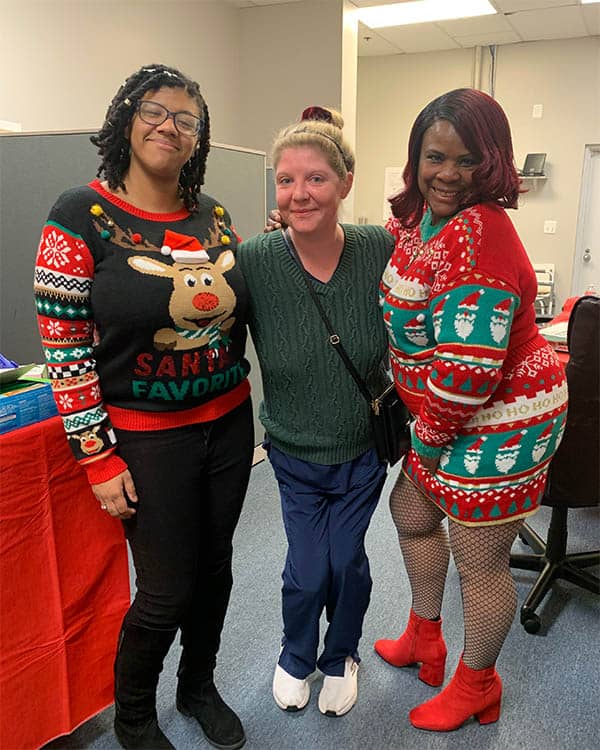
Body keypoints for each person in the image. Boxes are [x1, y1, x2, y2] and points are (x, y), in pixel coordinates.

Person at [33, 64, 252, 750]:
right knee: (165, 588)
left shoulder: (214, 215)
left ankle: (198, 687)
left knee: (216, 571)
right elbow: (65, 349)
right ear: (126, 120)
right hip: (145, 438)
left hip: (227, 421)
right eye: (155, 112)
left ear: (199, 137)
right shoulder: (78, 214)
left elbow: (238, 310)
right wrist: (95, 455)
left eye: (187, 119)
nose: (170, 127)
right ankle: (133, 714)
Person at [375, 88, 568, 731]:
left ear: (493, 166)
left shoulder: (481, 232)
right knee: (412, 510)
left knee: (478, 558)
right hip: (448, 414)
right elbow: (402, 252)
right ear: (416, 158)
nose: (448, 174)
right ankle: (425, 638)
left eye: (467, 162)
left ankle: (478, 684)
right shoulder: (425, 221)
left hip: (497, 415)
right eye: (435, 157)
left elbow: (469, 370)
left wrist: (426, 438)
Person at [237, 107, 394, 717]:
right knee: (307, 569)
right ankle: (296, 652)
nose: (299, 193)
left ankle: (342, 653)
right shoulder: (254, 259)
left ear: (345, 183)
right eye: (285, 180)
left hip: (361, 447)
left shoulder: (378, 248)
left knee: (345, 561)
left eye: (316, 178)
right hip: (294, 450)